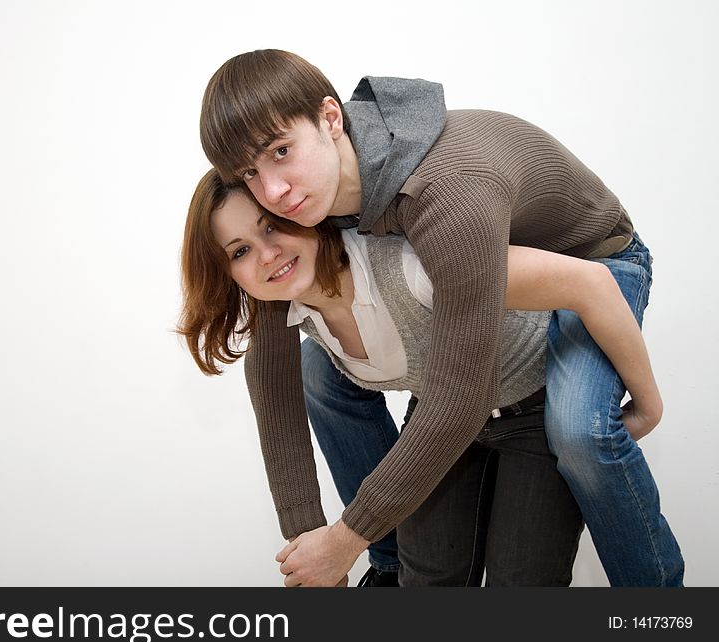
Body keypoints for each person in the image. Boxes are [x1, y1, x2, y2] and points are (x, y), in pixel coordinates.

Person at [197, 49, 683, 587]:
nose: (273, 192)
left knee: (580, 432)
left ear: (331, 118)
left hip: (593, 262)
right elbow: (276, 392)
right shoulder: (314, 204)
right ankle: (390, 561)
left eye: (282, 152)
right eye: (250, 172)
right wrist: (311, 554)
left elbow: (462, 393)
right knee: (317, 364)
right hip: (494, 299)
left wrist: (345, 537)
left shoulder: (444, 196)